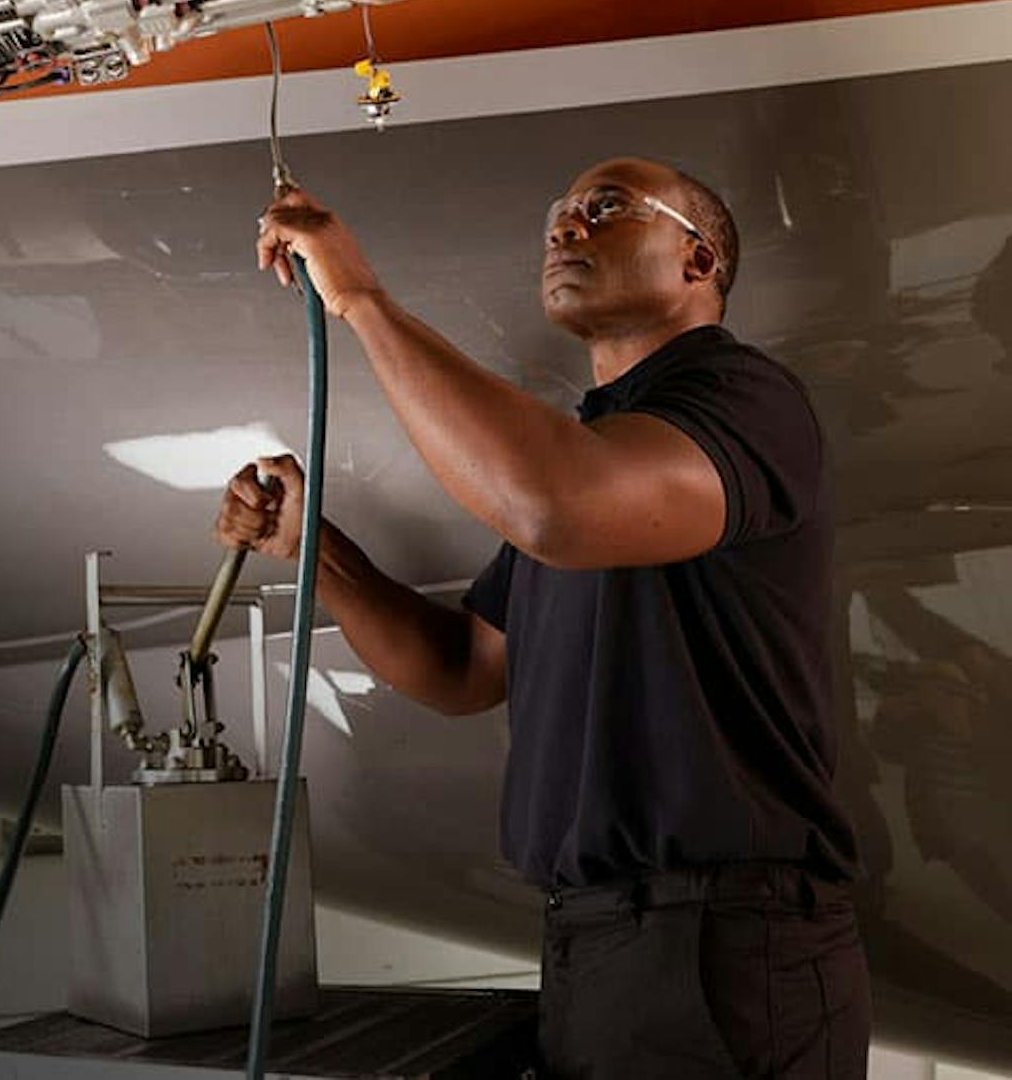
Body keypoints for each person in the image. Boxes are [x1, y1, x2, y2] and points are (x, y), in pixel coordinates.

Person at [216, 155, 872, 1078]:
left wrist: (360, 298)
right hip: (605, 942)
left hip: (715, 943)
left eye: (607, 207)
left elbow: (552, 506)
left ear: (698, 261)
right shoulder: (590, 452)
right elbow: (463, 669)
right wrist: (316, 550)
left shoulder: (742, 401)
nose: (566, 227)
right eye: (560, 211)